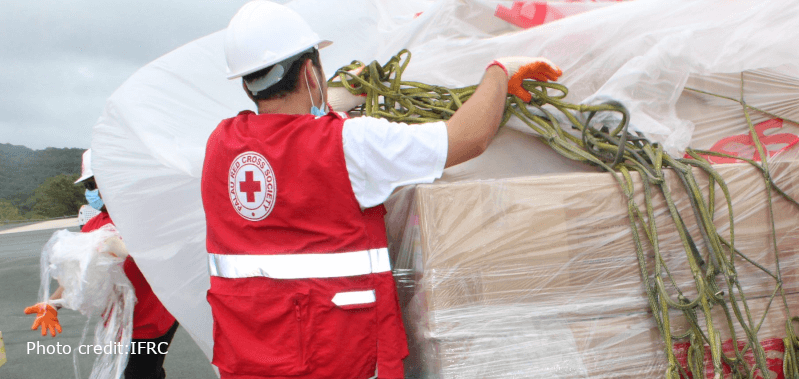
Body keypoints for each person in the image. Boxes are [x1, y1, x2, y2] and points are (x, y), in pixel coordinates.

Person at [201, 2, 562, 378]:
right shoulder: (348, 143)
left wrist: (336, 100)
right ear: (310, 71)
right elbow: (467, 138)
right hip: (338, 359)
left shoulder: (221, 145)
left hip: (250, 361)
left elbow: (284, 142)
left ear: (246, 84)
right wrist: (500, 73)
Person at [24, 149, 179, 379]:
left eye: (97, 183)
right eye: (89, 186)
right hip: (119, 322)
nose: (93, 192)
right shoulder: (93, 227)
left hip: (153, 321)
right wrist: (53, 304)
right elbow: (79, 274)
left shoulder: (147, 216)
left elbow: (169, 255)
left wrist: (127, 250)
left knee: (140, 373)